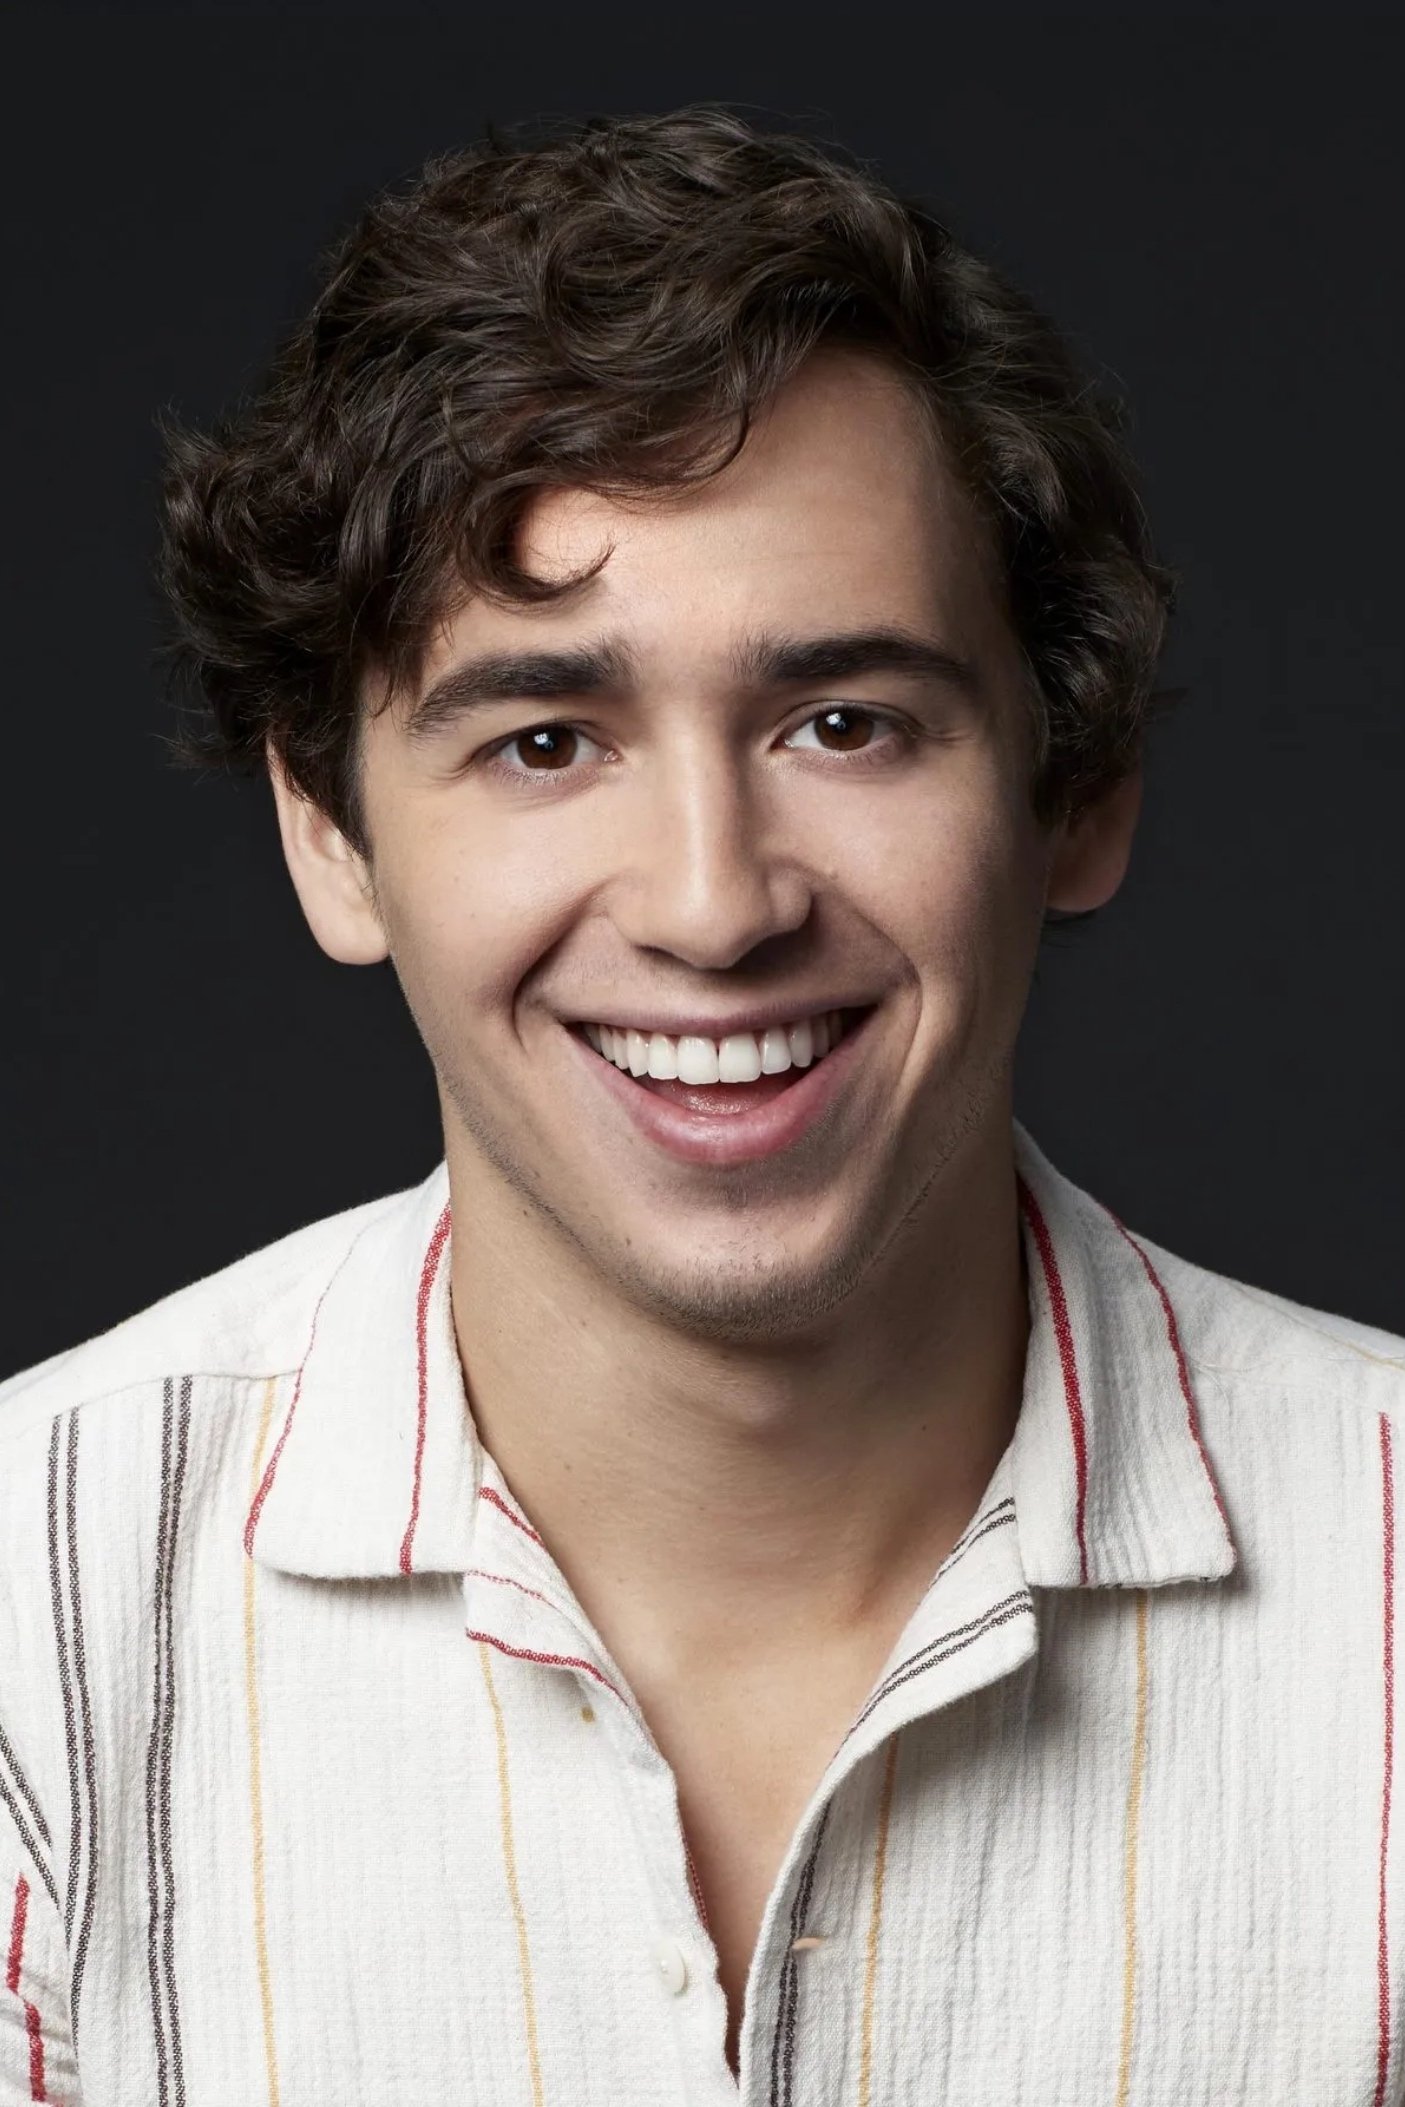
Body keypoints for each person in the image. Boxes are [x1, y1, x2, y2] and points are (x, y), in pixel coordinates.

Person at [0, 106, 1398, 2107]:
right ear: (328, 832)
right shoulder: (30, 1634)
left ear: (1073, 791)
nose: (712, 903)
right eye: (545, 739)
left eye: (843, 723)